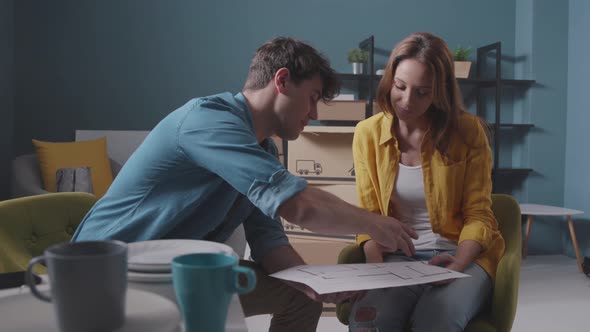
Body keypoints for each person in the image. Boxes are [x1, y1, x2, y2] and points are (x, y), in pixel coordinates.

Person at [71, 36, 418, 332]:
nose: (314, 112)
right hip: (113, 272)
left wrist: (314, 283)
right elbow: (299, 205)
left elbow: (269, 244)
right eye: (312, 96)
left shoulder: (263, 151)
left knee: (300, 297)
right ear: (281, 81)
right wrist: (373, 223)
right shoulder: (207, 121)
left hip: (186, 273)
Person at [348, 32, 505, 332]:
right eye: (400, 87)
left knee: (436, 320)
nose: (407, 101)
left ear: (440, 92)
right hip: (398, 257)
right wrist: (373, 263)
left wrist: (459, 264)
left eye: (422, 92)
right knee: (368, 321)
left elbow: (479, 213)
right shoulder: (366, 133)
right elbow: (368, 215)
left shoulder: (469, 131)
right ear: (389, 80)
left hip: (462, 255)